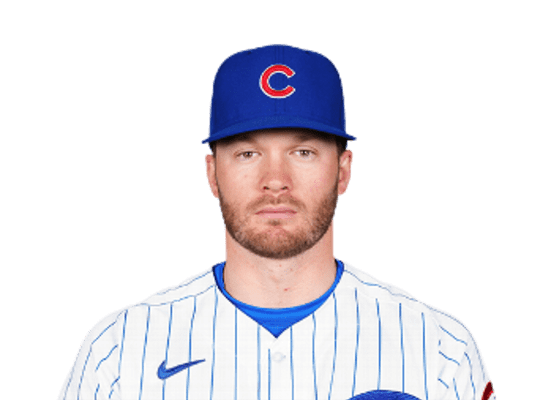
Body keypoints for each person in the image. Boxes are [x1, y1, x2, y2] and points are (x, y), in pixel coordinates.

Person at [58, 43, 496, 400]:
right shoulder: (120, 350)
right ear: (212, 174)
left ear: (343, 170)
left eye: (303, 152)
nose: (275, 180)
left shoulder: (437, 348)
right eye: (247, 153)